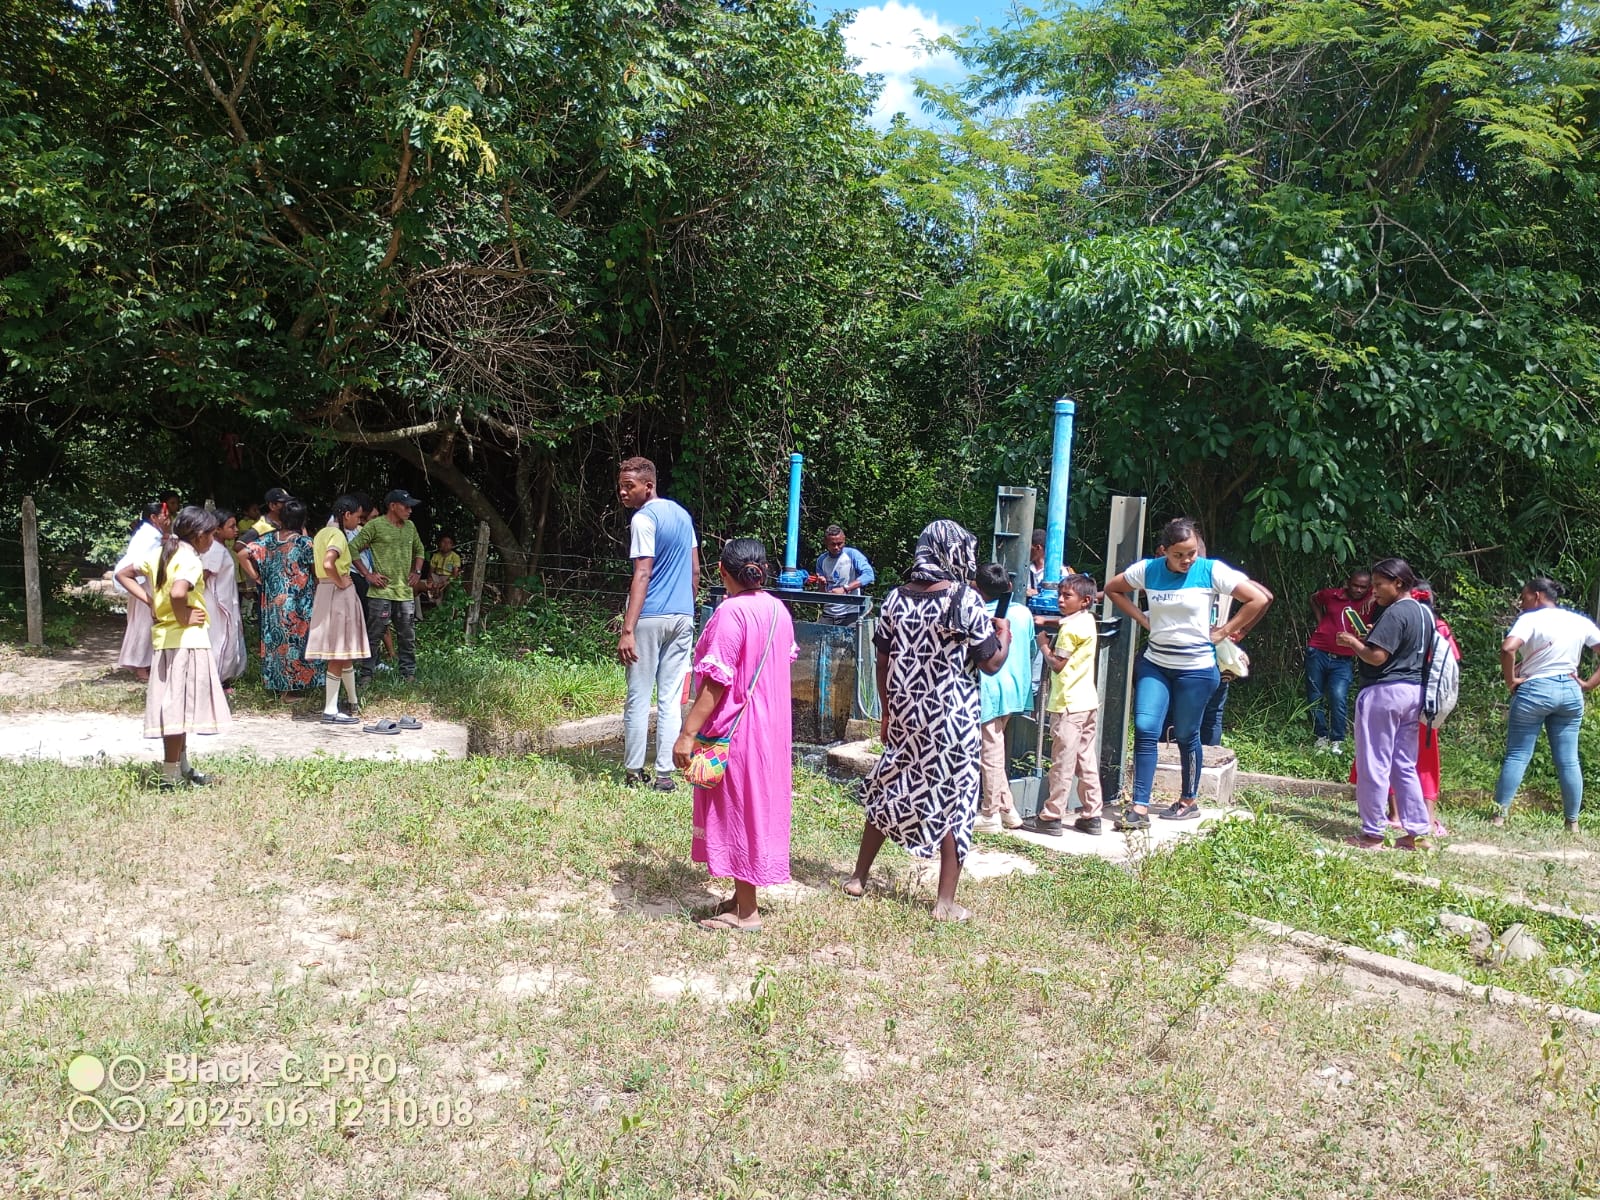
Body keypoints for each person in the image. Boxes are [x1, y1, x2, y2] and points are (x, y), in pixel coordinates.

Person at [843, 520, 1013, 923]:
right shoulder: (965, 600)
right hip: (951, 717)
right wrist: (1003, 634)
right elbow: (990, 662)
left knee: (891, 787)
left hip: (906, 712)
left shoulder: (895, 599)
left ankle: (857, 877)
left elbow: (883, 659)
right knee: (957, 799)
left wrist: (887, 712)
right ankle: (945, 903)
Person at [1104, 517, 1272, 827]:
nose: (1186, 560)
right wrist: (1142, 619)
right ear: (1164, 550)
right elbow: (1113, 589)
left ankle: (1188, 799)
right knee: (1145, 727)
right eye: (1179, 554)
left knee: (1185, 734)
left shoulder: (1211, 570)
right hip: (1156, 663)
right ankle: (1139, 808)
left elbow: (1258, 598)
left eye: (1192, 552)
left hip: (1196, 669)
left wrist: (1225, 631)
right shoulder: (1149, 569)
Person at [672, 539, 797, 933]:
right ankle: (741, 897)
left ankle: (747, 913)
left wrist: (686, 734)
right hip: (772, 731)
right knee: (756, 808)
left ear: (723, 572)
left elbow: (714, 686)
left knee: (736, 811)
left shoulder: (730, 613)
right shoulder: (778, 609)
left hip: (738, 731)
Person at [113, 506, 230, 788]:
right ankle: (169, 776)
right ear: (200, 535)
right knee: (178, 711)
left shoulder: (161, 553)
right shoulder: (189, 559)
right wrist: (183, 615)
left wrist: (151, 601)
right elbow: (179, 592)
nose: (213, 540)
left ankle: (183, 767)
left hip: (165, 641)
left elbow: (123, 574)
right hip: (187, 642)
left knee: (178, 707)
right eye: (212, 534)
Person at [1337, 558, 1433, 850]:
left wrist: (1352, 643)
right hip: (1414, 693)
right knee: (1404, 764)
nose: (1374, 591)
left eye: (1379, 585)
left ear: (1399, 584)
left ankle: (1372, 833)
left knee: (1373, 763)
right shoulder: (1424, 613)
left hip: (1384, 693)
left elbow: (1377, 657)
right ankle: (1416, 832)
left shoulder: (1396, 612)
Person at [1491, 576, 1600, 833]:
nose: (1521, 601)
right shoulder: (1578, 620)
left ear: (1538, 596)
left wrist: (1511, 680)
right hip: (1571, 693)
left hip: (1536, 690)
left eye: (1524, 596)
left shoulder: (1530, 619)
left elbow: (1508, 648)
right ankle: (1572, 822)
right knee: (1568, 760)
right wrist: (1588, 684)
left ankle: (1498, 817)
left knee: (1518, 755)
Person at [617, 456, 700, 790]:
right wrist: (688, 610)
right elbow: (695, 570)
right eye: (621, 485)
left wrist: (627, 630)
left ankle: (635, 772)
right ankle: (665, 776)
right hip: (682, 617)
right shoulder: (683, 515)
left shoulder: (643, 519)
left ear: (648, 486)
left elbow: (642, 572)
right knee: (669, 698)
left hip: (649, 617)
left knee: (638, 695)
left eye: (629, 486)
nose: (623, 492)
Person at [1028, 574, 1104, 835]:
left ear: (1084, 601)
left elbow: (1057, 665)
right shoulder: (1087, 620)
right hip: (1087, 701)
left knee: (1062, 761)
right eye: (1060, 594)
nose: (1060, 600)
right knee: (1086, 759)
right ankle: (1092, 813)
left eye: (1066, 596)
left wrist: (1043, 645)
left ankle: (1051, 816)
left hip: (1068, 704)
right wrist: (1048, 620)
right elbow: (1065, 621)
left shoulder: (1069, 630)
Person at [240, 499, 325, 698]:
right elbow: (316, 573)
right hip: (299, 602)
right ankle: (292, 689)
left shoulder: (269, 540)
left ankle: (279, 685)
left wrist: (257, 577)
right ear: (302, 519)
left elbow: (243, 553)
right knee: (296, 643)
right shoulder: (305, 543)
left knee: (276, 642)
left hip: (273, 601)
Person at [973, 563, 1033, 833]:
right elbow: (1031, 646)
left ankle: (990, 814)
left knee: (990, 751)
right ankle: (1009, 811)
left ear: (977, 587)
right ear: (1008, 587)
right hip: (1015, 687)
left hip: (988, 688)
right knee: (995, 748)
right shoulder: (1022, 613)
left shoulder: (977, 615)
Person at [307, 495, 371, 724]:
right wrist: (341, 581)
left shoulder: (322, 533)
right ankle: (330, 710)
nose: (358, 522)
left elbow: (318, 567)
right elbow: (327, 563)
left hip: (325, 590)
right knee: (338, 651)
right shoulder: (337, 535)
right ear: (346, 515)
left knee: (345, 652)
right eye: (358, 517)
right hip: (338, 592)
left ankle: (353, 702)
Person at [350, 490, 426, 684]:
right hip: (381, 591)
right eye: (406, 506)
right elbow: (352, 548)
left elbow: (420, 550)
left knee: (407, 636)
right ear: (393, 506)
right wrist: (367, 574)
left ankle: (408, 673)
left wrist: (417, 571)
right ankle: (366, 673)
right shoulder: (375, 525)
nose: (410, 510)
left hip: (404, 592)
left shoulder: (410, 527)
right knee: (374, 634)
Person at [1305, 570, 1375, 754]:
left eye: (1363, 587)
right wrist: (1321, 621)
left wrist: (1372, 596)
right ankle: (1321, 737)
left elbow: (1390, 592)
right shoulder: (1332, 595)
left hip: (1344, 659)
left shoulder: (1373, 599)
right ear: (1347, 583)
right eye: (1355, 585)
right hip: (1318, 651)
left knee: (1338, 697)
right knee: (1315, 695)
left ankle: (1337, 740)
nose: (1359, 590)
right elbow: (1314, 598)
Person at [114, 501, 171, 682]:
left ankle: (145, 664)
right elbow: (141, 562)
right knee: (143, 624)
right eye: (165, 515)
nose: (168, 519)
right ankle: (140, 667)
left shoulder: (152, 534)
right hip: (142, 583)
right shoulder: (149, 536)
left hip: (144, 581)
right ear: (154, 518)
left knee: (144, 622)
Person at [199, 510, 247, 691]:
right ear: (217, 529)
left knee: (226, 639)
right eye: (231, 526)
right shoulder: (215, 550)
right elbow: (203, 577)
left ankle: (222, 679)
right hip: (217, 604)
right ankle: (216, 680)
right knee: (220, 640)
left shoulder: (219, 548)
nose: (236, 530)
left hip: (224, 601)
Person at [812, 525, 875, 625]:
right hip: (829, 613)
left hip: (850, 612)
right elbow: (822, 594)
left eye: (840, 544)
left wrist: (845, 589)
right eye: (833, 544)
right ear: (826, 543)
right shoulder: (821, 560)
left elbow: (869, 575)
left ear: (844, 540)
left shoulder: (852, 555)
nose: (836, 547)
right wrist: (822, 584)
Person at [425, 534, 463, 604]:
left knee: (448, 588)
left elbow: (455, 574)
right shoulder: (436, 556)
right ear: (439, 543)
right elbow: (431, 572)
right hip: (436, 576)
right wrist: (430, 580)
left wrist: (445, 582)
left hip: (448, 577)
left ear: (452, 545)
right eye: (443, 542)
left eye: (449, 542)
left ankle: (441, 607)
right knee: (428, 585)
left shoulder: (455, 557)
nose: (446, 544)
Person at [1027, 530, 1047, 596]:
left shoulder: (1060, 571)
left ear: (1038, 548)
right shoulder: (1026, 568)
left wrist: (1037, 593)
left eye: (1028, 547)